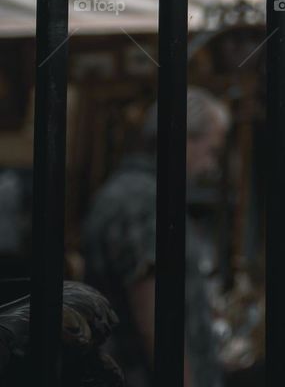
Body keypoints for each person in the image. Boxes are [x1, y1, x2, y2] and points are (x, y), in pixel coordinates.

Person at [83, 88, 229, 387]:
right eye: (211, 150)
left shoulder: (135, 192)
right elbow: (155, 317)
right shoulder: (146, 200)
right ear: (183, 140)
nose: (211, 166)